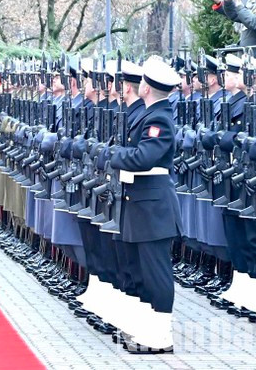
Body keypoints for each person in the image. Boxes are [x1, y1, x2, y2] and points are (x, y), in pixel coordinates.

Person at [109, 56, 182, 353]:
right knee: (140, 272)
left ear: (148, 88)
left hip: (154, 208)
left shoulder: (159, 118)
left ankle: (161, 337)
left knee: (157, 274)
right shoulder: (153, 114)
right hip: (143, 205)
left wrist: (113, 155)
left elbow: (144, 157)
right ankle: (146, 331)